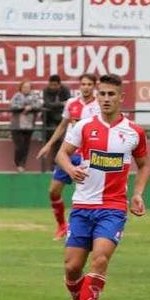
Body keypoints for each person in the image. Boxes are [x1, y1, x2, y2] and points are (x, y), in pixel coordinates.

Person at [54, 74, 150, 300]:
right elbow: (62, 153)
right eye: (102, 94)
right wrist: (70, 170)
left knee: (100, 259)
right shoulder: (83, 126)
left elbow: (143, 166)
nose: (106, 99)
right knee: (72, 267)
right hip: (83, 206)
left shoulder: (134, 132)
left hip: (113, 207)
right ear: (96, 97)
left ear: (121, 97)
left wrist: (138, 194)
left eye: (111, 94)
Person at [36, 73, 100, 240]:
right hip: (68, 154)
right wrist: (49, 145)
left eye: (89, 84)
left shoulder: (99, 105)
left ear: (94, 86)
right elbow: (63, 126)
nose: (86, 87)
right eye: (83, 84)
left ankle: (85, 229)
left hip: (87, 155)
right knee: (53, 191)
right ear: (80, 86)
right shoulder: (71, 103)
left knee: (86, 195)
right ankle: (62, 226)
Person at [9, 80, 42, 173]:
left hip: (29, 126)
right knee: (19, 146)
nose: (26, 89)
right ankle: (17, 163)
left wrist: (31, 107)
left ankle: (22, 165)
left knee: (26, 146)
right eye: (24, 87)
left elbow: (39, 104)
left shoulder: (34, 96)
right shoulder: (17, 96)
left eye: (28, 87)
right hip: (17, 126)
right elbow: (11, 105)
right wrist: (23, 107)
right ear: (21, 88)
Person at [40, 74, 72, 171]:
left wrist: (57, 105)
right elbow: (47, 104)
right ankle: (48, 167)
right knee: (48, 141)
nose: (52, 87)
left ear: (59, 85)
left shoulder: (65, 90)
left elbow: (69, 103)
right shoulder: (46, 90)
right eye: (51, 85)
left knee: (60, 142)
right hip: (49, 119)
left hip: (62, 119)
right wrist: (61, 104)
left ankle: (57, 165)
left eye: (54, 85)